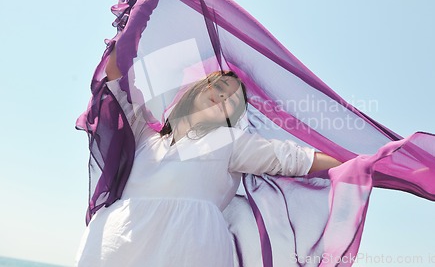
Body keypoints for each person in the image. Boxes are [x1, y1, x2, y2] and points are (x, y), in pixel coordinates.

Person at [75, 46, 342, 266]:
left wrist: (364, 167)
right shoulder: (145, 132)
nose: (223, 97)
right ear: (197, 89)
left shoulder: (232, 142)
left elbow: (295, 159)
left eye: (233, 101)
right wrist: (140, 10)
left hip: (190, 252)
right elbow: (116, 74)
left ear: (232, 117)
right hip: (116, 244)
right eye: (219, 87)